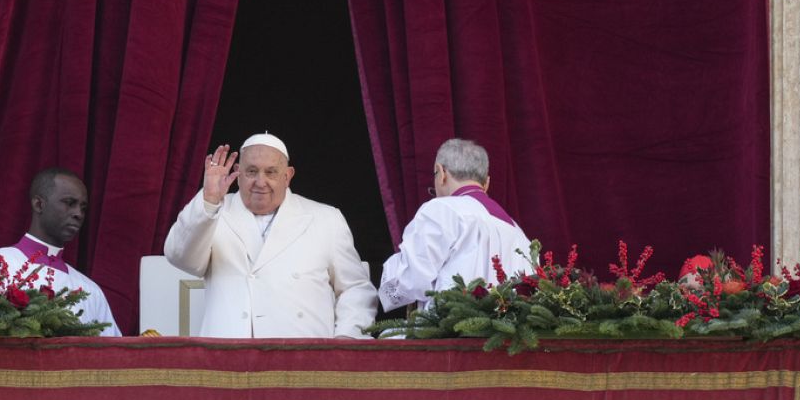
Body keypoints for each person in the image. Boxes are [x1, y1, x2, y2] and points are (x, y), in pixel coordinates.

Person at [164, 133, 377, 338]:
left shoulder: (325, 218)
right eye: (251, 171)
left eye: (271, 172)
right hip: (228, 358)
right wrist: (209, 199)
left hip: (303, 359)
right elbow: (180, 257)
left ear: (288, 176)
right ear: (237, 172)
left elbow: (355, 288)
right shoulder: (213, 210)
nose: (260, 181)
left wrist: (347, 337)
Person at [379, 138, 534, 311]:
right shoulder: (517, 232)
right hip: (506, 336)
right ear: (487, 183)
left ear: (441, 173)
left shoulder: (441, 209)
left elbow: (410, 281)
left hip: (448, 331)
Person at [0, 168, 121, 336]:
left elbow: (112, 357)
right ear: (39, 204)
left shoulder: (90, 290)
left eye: (83, 207)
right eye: (69, 203)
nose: (78, 214)